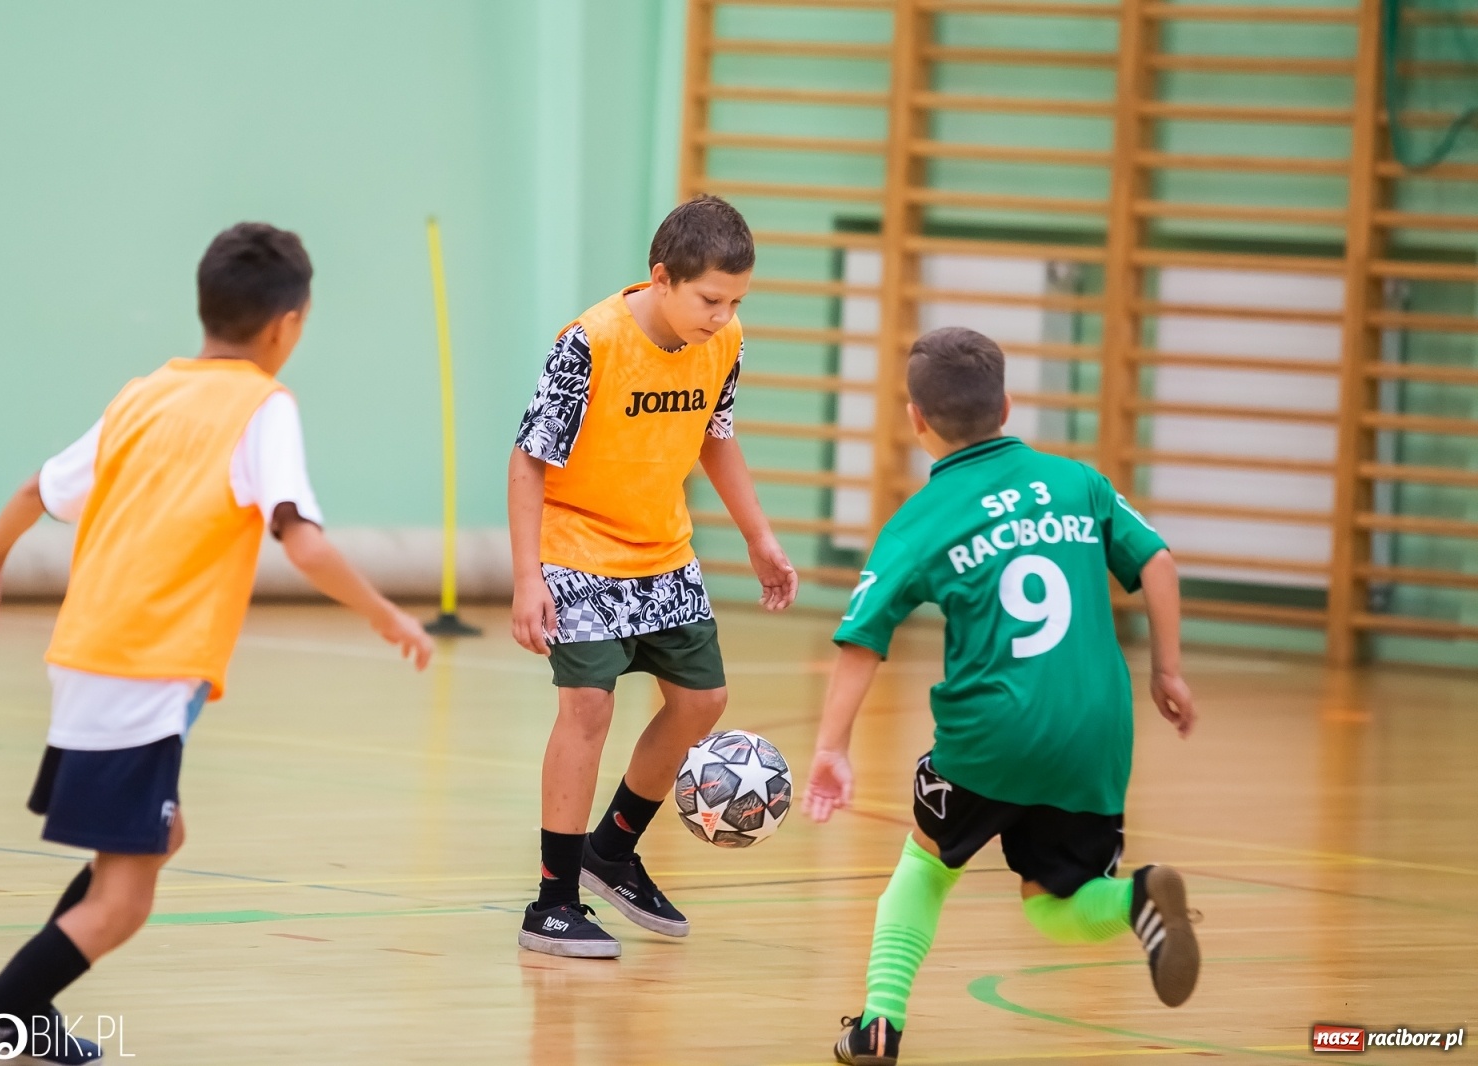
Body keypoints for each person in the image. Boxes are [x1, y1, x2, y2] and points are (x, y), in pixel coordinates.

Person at [0, 223, 432, 1065]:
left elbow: (37, 489)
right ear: (287, 325)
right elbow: (300, 538)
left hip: (90, 656)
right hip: (142, 671)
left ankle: (28, 1010)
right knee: (123, 902)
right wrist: (385, 613)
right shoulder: (264, 407)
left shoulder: (143, 394)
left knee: (160, 839)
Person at [804, 327, 1200, 1065]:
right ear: (1008, 405)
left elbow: (863, 639)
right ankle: (1136, 897)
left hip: (993, 731)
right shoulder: (1078, 482)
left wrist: (831, 747)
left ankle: (878, 1025)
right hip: (1096, 729)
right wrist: (1167, 673)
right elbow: (1161, 564)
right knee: (1053, 898)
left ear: (915, 419)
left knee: (926, 864)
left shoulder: (920, 520)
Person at [508, 194, 798, 958]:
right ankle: (554, 901)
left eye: (735, 300)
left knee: (703, 699)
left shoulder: (724, 339)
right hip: (576, 548)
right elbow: (528, 459)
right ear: (661, 278)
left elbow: (716, 437)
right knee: (589, 710)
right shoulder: (589, 342)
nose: (721, 314)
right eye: (709, 298)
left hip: (661, 548)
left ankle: (613, 850)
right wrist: (526, 577)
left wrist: (759, 538)